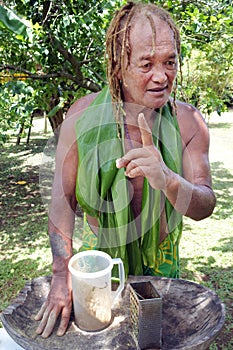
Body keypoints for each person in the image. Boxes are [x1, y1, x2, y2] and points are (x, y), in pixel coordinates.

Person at [35, 1, 216, 338]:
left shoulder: (189, 123)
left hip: (161, 269)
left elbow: (205, 206)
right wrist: (62, 274)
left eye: (170, 62)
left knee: (152, 340)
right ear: (118, 66)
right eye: (146, 64)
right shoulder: (81, 119)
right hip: (97, 265)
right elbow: (63, 201)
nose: (161, 76)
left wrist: (169, 181)